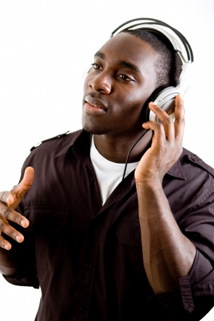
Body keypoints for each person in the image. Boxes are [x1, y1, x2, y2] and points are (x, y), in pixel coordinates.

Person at [0, 18, 214, 321]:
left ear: (161, 101)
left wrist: (150, 183)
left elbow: (188, 305)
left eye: (125, 76)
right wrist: (4, 237)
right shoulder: (45, 161)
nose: (97, 82)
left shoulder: (200, 187)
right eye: (97, 66)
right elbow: (24, 273)